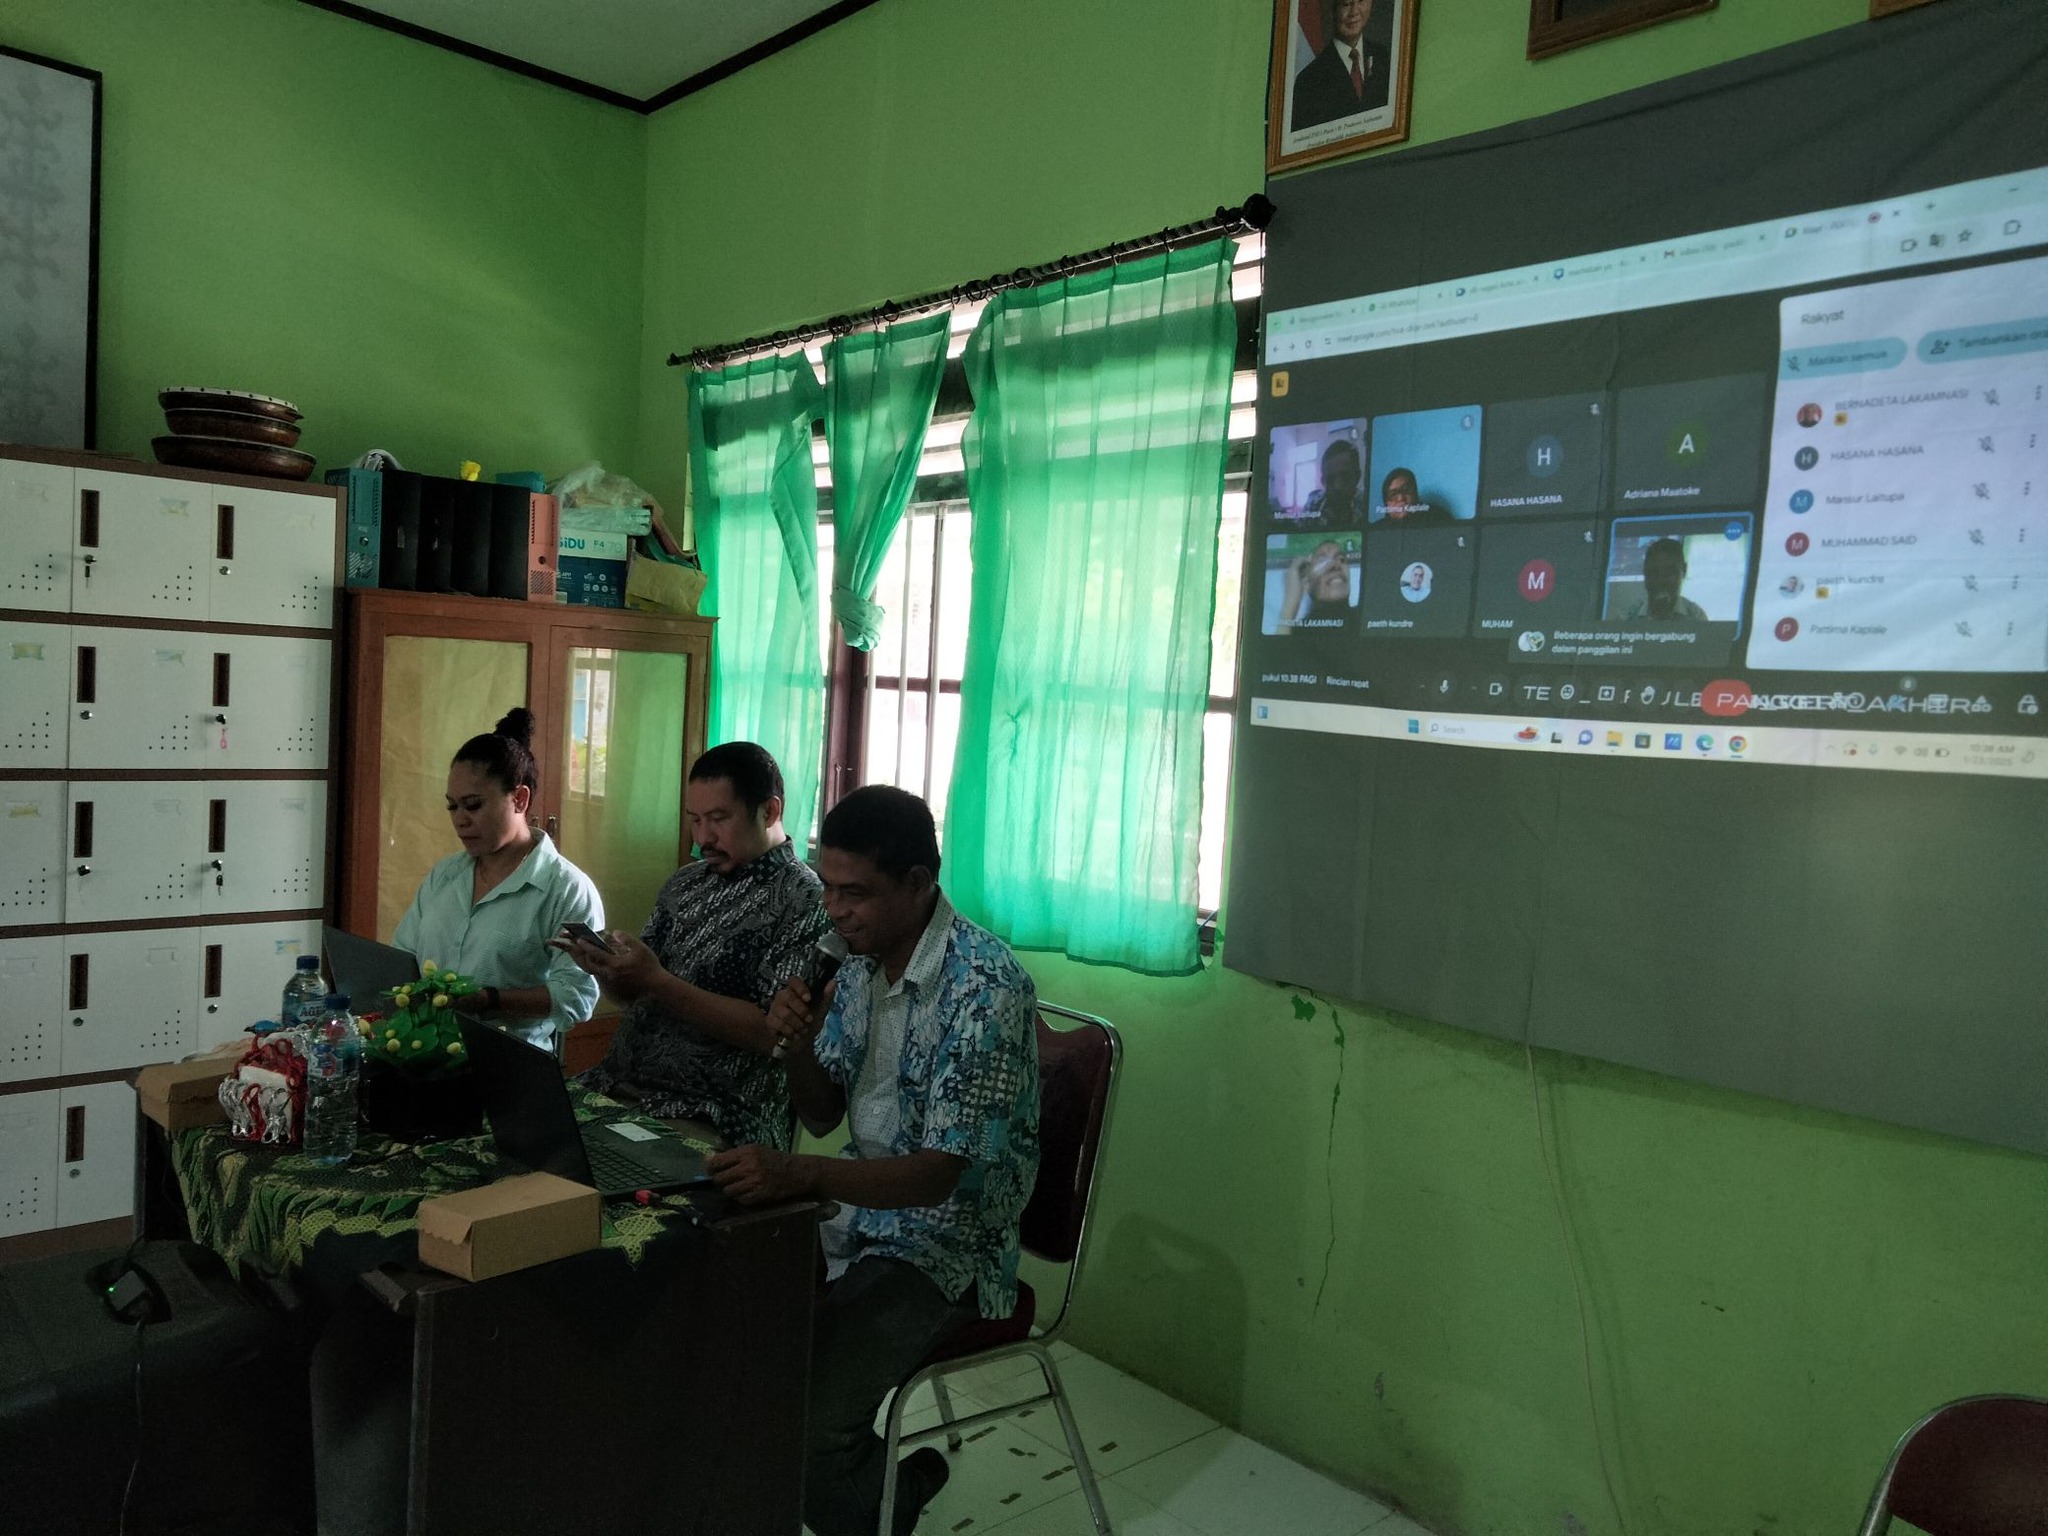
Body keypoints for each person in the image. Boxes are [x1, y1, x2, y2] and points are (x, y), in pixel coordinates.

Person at [707, 786, 1040, 1536]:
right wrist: (793, 1044)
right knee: (723, 1320)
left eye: (854, 894)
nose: (834, 911)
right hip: (859, 1216)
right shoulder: (858, 966)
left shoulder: (984, 989)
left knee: (805, 1424)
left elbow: (936, 1176)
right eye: (827, 887)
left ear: (917, 884)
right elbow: (823, 1113)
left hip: (949, 1245)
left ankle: (895, 1495)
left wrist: (800, 1174)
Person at [569, 741, 829, 1150]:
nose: (704, 837)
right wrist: (606, 970)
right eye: (695, 820)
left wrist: (657, 981)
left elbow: (774, 1035)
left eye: (719, 819)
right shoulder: (685, 883)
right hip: (616, 1087)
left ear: (770, 811)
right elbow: (635, 995)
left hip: (714, 1115)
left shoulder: (805, 900)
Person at [392, 707, 601, 1050]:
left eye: (473, 805)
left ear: (519, 799)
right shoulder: (445, 875)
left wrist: (490, 1000)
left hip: (509, 1060)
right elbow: (402, 956)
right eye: (452, 806)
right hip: (427, 1052)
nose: (460, 820)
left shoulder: (564, 888)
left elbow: (576, 997)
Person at [1291, 0, 1389, 133]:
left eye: (1361, 1)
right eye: (1346, 4)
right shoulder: (1309, 79)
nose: (1354, 12)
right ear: (1332, 11)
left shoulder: (1384, 58)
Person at [1620, 537, 1708, 621]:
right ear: (1644, 572)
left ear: (1684, 570)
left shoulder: (1696, 617)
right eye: (1654, 572)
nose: (1661, 580)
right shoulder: (1626, 618)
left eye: (1669, 573)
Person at [1281, 538, 1353, 627]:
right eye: (1323, 561)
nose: (1336, 565)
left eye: (1341, 559)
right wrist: (1291, 602)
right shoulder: (1294, 632)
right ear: (1306, 583)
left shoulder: (1365, 616)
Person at [1301, 437, 1364, 524]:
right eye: (1330, 479)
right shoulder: (1313, 505)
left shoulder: (1366, 504)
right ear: (1323, 482)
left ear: (1357, 477)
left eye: (1345, 477)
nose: (1338, 486)